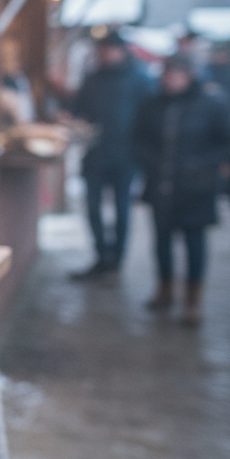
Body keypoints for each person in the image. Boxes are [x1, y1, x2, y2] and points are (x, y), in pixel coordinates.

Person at [131, 53, 230, 325]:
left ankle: (193, 301)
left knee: (194, 243)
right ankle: (164, 289)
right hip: (161, 183)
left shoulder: (212, 105)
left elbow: (226, 142)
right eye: (168, 76)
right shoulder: (153, 105)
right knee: (161, 241)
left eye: (177, 76)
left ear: (189, 77)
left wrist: (202, 165)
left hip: (196, 188)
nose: (172, 81)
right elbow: (138, 138)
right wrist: (150, 162)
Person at [65, 30, 156, 279]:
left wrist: (142, 152)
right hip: (96, 154)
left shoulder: (141, 79)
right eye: (101, 50)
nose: (105, 55)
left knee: (122, 210)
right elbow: (79, 109)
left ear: (121, 50)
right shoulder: (94, 78)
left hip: (126, 157)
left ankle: (117, 261)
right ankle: (101, 256)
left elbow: (151, 117)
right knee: (92, 208)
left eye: (109, 50)